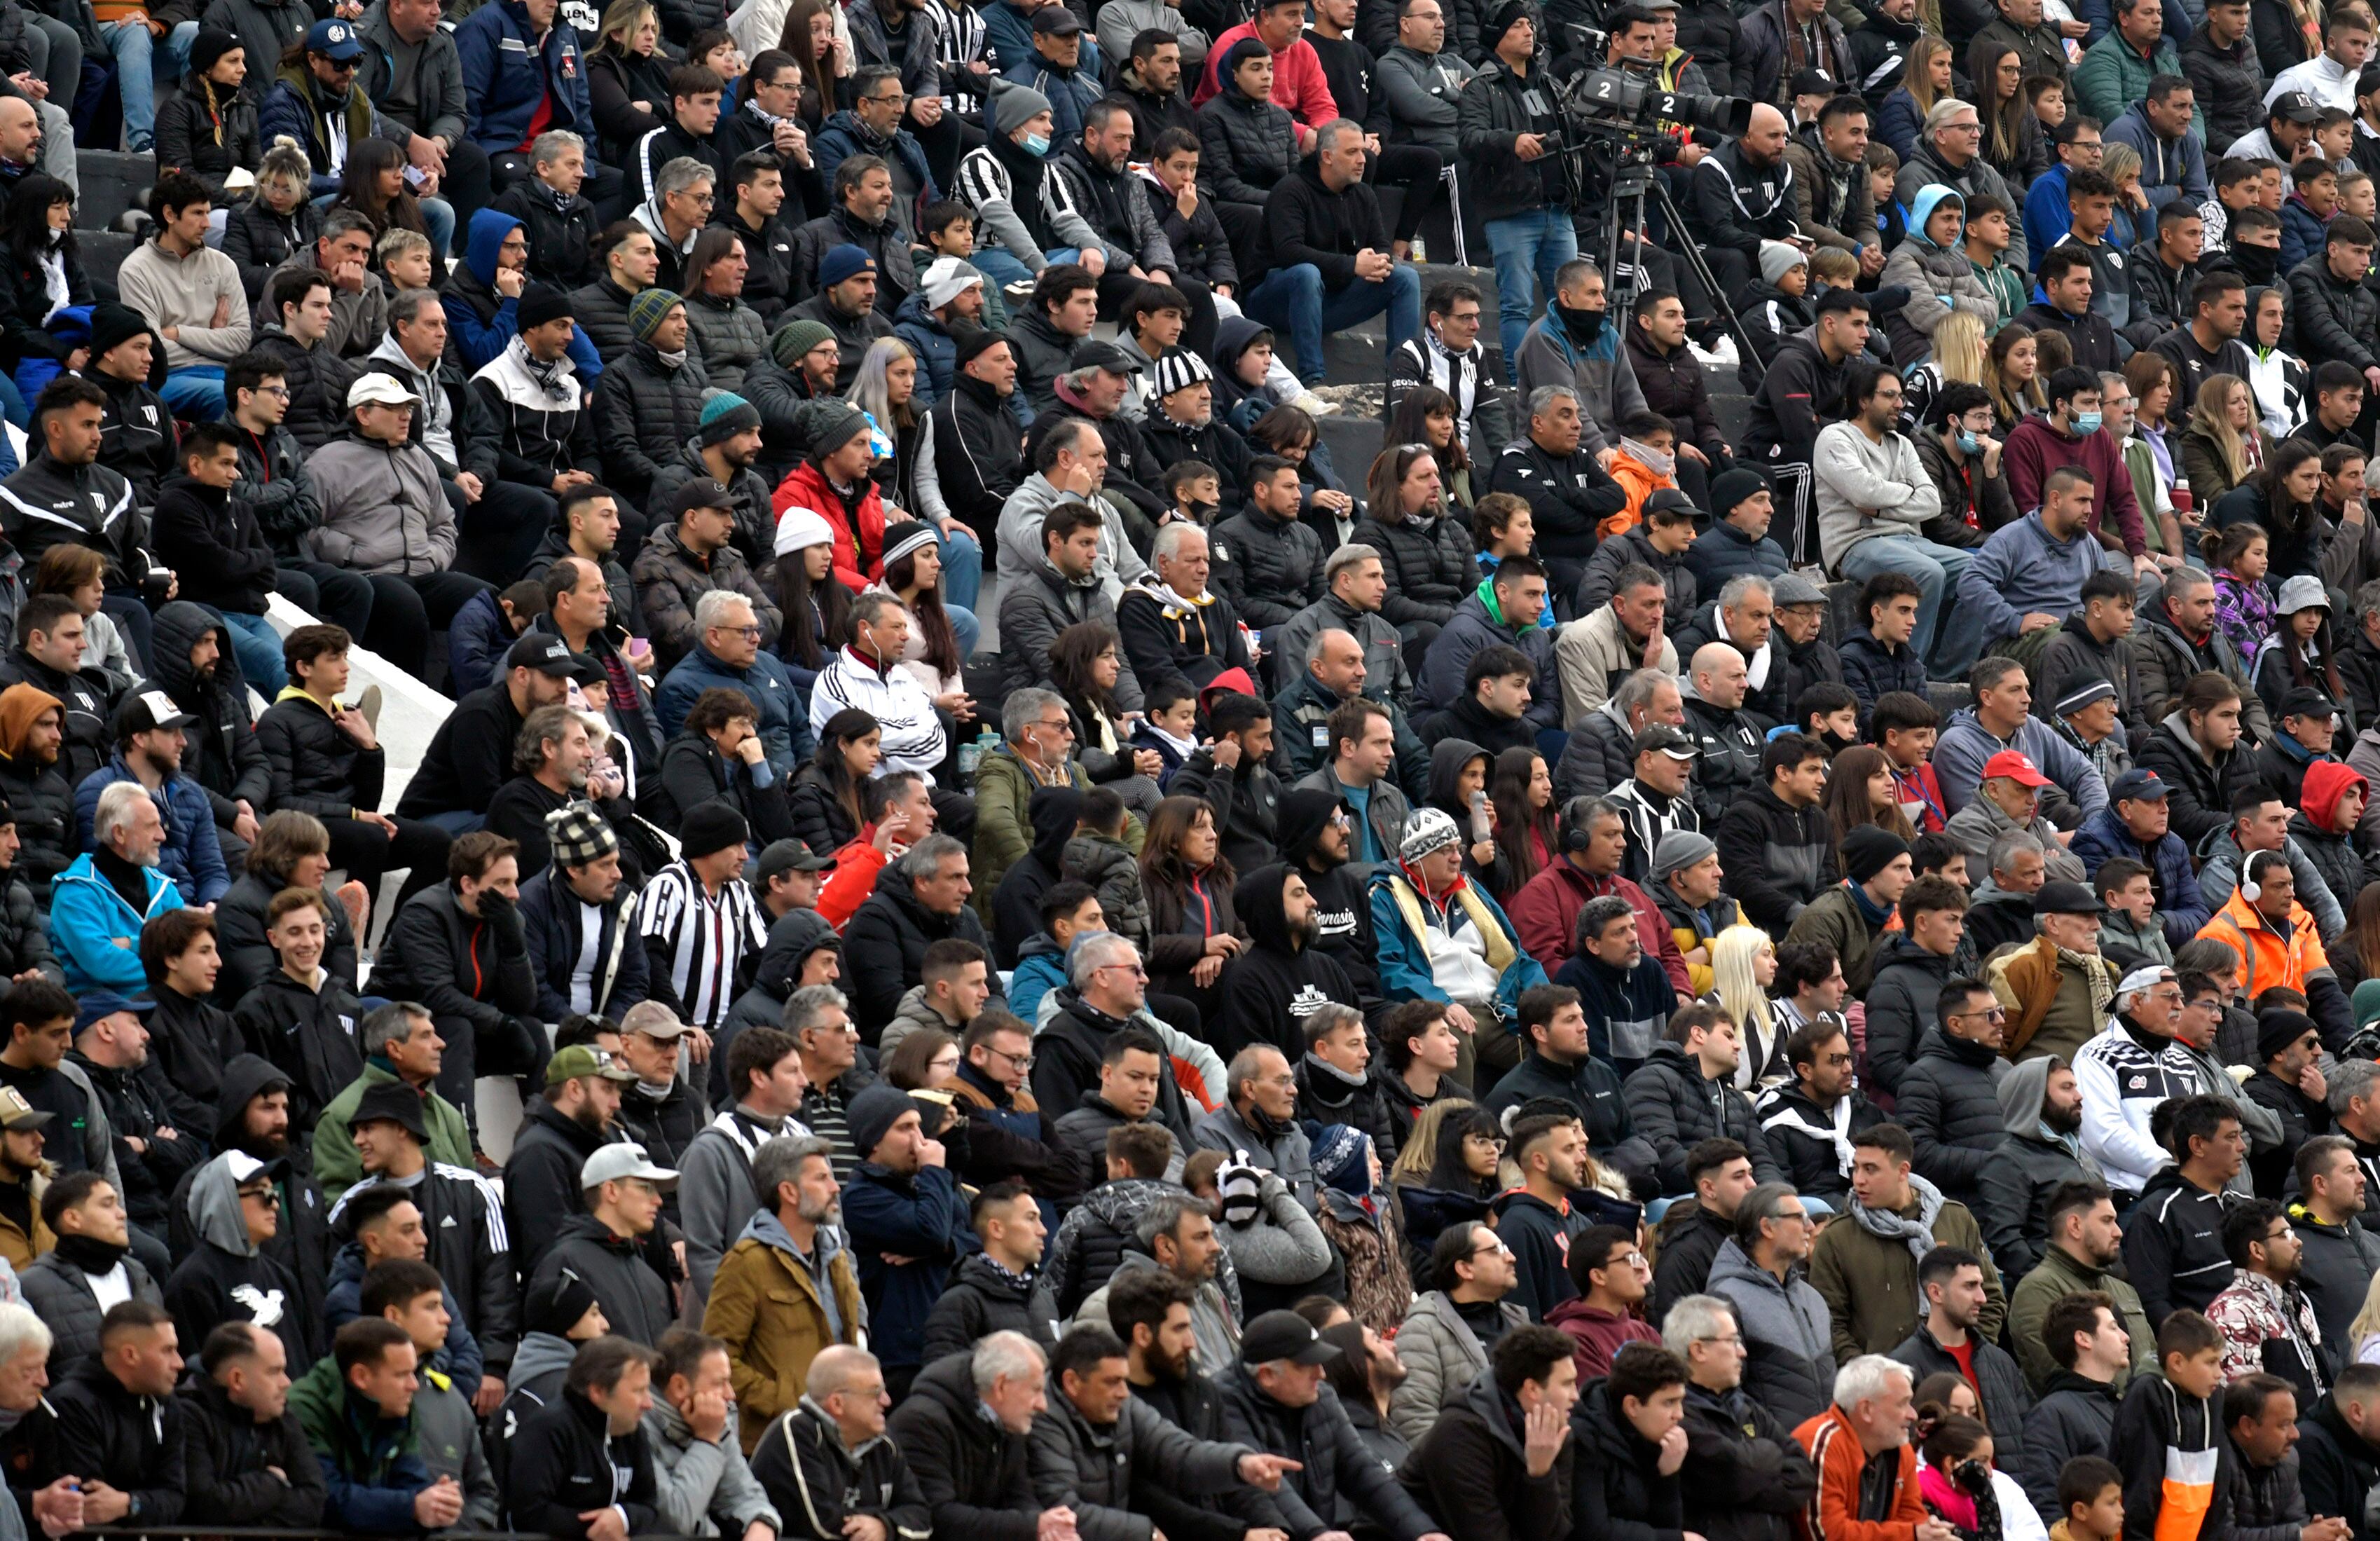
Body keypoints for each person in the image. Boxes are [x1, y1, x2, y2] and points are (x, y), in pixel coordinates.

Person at [1808, 1123, 2005, 1363]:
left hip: (1958, 1372)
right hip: (1882, 1384)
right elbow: (1827, 1321)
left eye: (1871, 1170)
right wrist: (1868, 1371)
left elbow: (1990, 1297)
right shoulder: (1837, 1238)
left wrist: (1969, 1356)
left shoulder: (1955, 1218)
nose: (1858, 1180)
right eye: (1856, 1168)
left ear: (1903, 1171)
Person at [1241, 121, 1419, 384]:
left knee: (1406, 279)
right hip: (1273, 300)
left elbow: (1380, 244)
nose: (1362, 160)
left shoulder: (1363, 195)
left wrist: (1380, 261)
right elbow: (1290, 253)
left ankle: (1402, 378)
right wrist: (1352, 266)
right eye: (1352, 153)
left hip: (1328, 300)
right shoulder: (1291, 190)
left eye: (1363, 151)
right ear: (1326, 157)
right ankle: (1314, 379)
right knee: (1306, 274)